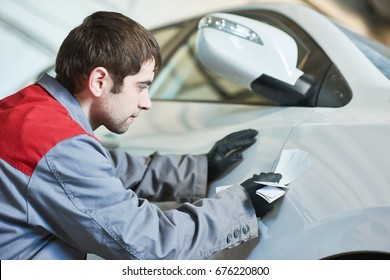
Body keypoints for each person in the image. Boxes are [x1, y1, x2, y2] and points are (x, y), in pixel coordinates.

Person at [0, 11, 281, 260]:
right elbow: (153, 245)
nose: (146, 103)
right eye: (141, 86)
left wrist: (202, 168)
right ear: (100, 81)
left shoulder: (27, 111)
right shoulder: (56, 147)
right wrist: (241, 205)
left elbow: (107, 167)